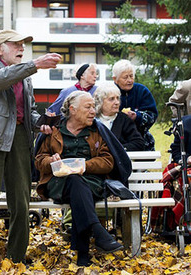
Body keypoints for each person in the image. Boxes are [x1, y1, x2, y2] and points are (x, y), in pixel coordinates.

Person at [0, 28, 62, 265]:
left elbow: (27, 108)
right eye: (16, 44)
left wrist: (40, 122)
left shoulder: (24, 75)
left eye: (24, 44)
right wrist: (35, 64)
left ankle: (17, 258)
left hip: (20, 137)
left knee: (21, 201)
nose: (22, 48)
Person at [35, 91, 131, 267]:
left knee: (78, 186)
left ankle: (84, 255)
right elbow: (39, 160)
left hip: (90, 181)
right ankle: (96, 235)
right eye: (88, 107)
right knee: (74, 182)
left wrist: (85, 166)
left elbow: (108, 161)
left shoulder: (97, 130)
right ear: (72, 110)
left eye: (94, 107)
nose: (93, 111)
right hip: (57, 182)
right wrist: (51, 161)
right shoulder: (54, 130)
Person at [112, 59, 158, 151]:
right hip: (114, 139)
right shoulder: (109, 92)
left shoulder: (142, 91)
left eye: (131, 76)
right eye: (125, 77)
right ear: (115, 79)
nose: (129, 80)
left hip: (141, 139)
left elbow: (152, 115)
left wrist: (137, 116)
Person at [94, 82, 145, 151]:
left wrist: (117, 149)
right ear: (100, 102)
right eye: (111, 99)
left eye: (117, 98)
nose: (117, 102)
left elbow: (138, 143)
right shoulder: (92, 120)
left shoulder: (124, 120)